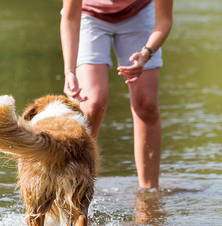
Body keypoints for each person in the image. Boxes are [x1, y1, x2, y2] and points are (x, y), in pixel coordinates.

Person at [60, 0, 173, 189]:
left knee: (147, 105)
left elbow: (164, 20)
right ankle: (77, 189)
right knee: (91, 104)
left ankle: (149, 195)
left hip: (139, 14)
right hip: (89, 15)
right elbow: (71, 18)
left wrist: (146, 53)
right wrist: (69, 71)